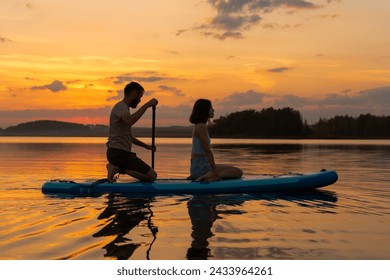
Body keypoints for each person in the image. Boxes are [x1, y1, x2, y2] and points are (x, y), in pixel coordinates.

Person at [106, 82, 158, 182]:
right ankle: (116, 168)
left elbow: (129, 137)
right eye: (140, 97)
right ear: (134, 94)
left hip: (119, 153)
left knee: (150, 176)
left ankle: (115, 167)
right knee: (152, 176)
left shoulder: (124, 108)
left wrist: (146, 146)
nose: (139, 100)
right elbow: (129, 121)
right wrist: (147, 105)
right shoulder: (121, 107)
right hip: (119, 153)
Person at [189, 99, 243, 181]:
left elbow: (194, 153)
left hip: (198, 167)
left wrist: (193, 172)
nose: (213, 110)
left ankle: (207, 175)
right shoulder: (201, 126)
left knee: (231, 170)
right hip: (201, 166)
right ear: (204, 110)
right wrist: (215, 172)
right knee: (238, 172)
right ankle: (210, 176)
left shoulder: (198, 126)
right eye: (211, 108)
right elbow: (207, 151)